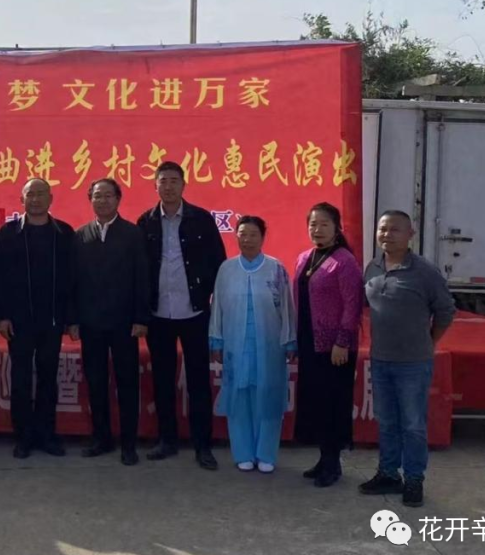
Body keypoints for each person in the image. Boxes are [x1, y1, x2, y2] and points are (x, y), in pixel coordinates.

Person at [360, 210, 455, 507]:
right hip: (381, 359)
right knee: (386, 421)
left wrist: (429, 342)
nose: (387, 235)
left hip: (413, 363)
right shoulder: (373, 268)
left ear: (410, 235)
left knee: (413, 424)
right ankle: (389, 473)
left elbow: (445, 310)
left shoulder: (424, 271)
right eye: (383, 229)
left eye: (395, 230)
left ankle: (414, 479)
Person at [136, 161, 227, 470]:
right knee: (162, 380)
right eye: (163, 181)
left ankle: (203, 445)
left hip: (195, 311)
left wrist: (207, 295)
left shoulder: (201, 219)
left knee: (198, 380)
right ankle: (167, 440)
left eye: (174, 181)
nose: (169, 186)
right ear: (155, 186)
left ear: (184, 185)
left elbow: (218, 262)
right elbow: (138, 270)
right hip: (159, 313)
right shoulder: (146, 222)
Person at [68, 178, 150, 466]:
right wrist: (73, 319)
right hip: (91, 323)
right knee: (96, 382)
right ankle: (101, 438)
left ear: (118, 199)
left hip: (124, 323)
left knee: (127, 383)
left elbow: (142, 277)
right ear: (90, 200)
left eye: (107, 196)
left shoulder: (132, 234)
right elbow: (73, 282)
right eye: (97, 196)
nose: (102, 201)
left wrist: (141, 318)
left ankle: (129, 444)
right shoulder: (80, 235)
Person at [209, 216, 296, 473]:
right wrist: (216, 339)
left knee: (268, 396)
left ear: (263, 237)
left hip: (269, 344)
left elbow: (287, 308)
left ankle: (266, 453)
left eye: (253, 234)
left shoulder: (276, 268)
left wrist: (289, 339)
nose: (247, 240)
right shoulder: (226, 269)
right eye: (242, 234)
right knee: (239, 396)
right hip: (235, 344)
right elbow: (217, 308)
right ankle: (243, 452)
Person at [0, 179, 74, 459]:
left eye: (41, 194)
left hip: (52, 320)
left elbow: (72, 279)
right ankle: (23, 437)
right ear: (22, 200)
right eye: (31, 194)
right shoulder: (8, 233)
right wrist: (2, 315)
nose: (36, 199)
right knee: (20, 379)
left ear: (51, 198)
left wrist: (71, 318)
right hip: (19, 321)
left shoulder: (64, 232)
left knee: (48, 378)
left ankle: (47, 435)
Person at [294, 202, 364, 488]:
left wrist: (342, 342)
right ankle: (323, 459)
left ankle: (333, 464)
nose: (318, 229)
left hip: (335, 348)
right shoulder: (304, 258)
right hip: (309, 343)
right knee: (316, 403)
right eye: (313, 224)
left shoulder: (344, 261)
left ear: (337, 228)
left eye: (324, 224)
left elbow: (352, 305)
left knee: (333, 404)